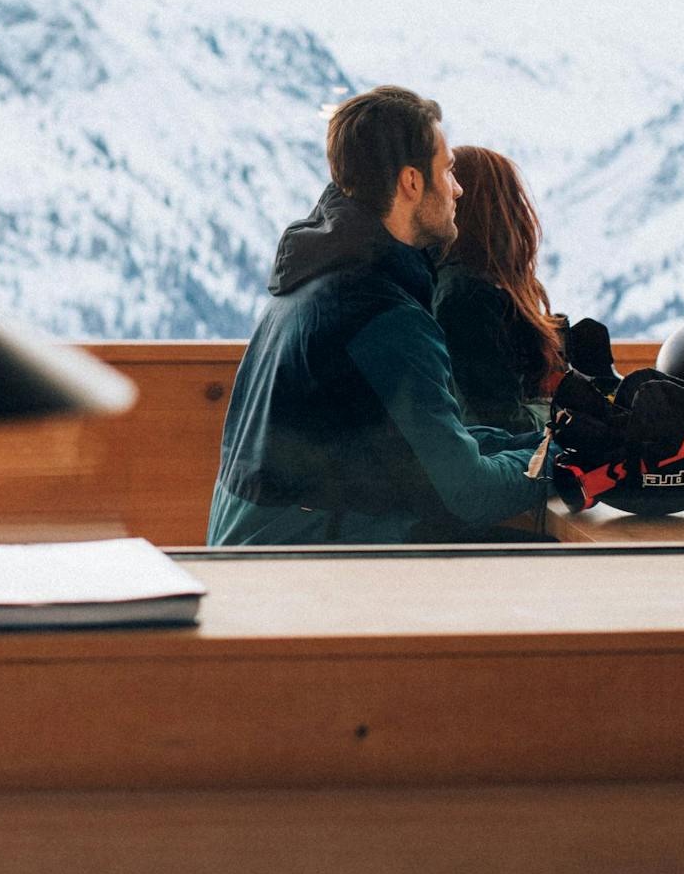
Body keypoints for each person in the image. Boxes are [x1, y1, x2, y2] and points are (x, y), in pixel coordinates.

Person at [208, 87, 553, 546]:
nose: (458, 188)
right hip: (295, 569)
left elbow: (433, 447)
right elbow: (469, 493)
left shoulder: (319, 278)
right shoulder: (379, 313)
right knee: (551, 563)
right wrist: (565, 461)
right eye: (448, 170)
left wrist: (541, 444)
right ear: (412, 182)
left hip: (259, 548)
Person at [432, 146, 565, 433]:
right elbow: (499, 421)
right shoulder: (467, 298)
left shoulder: (466, 286)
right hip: (502, 464)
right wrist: (566, 413)